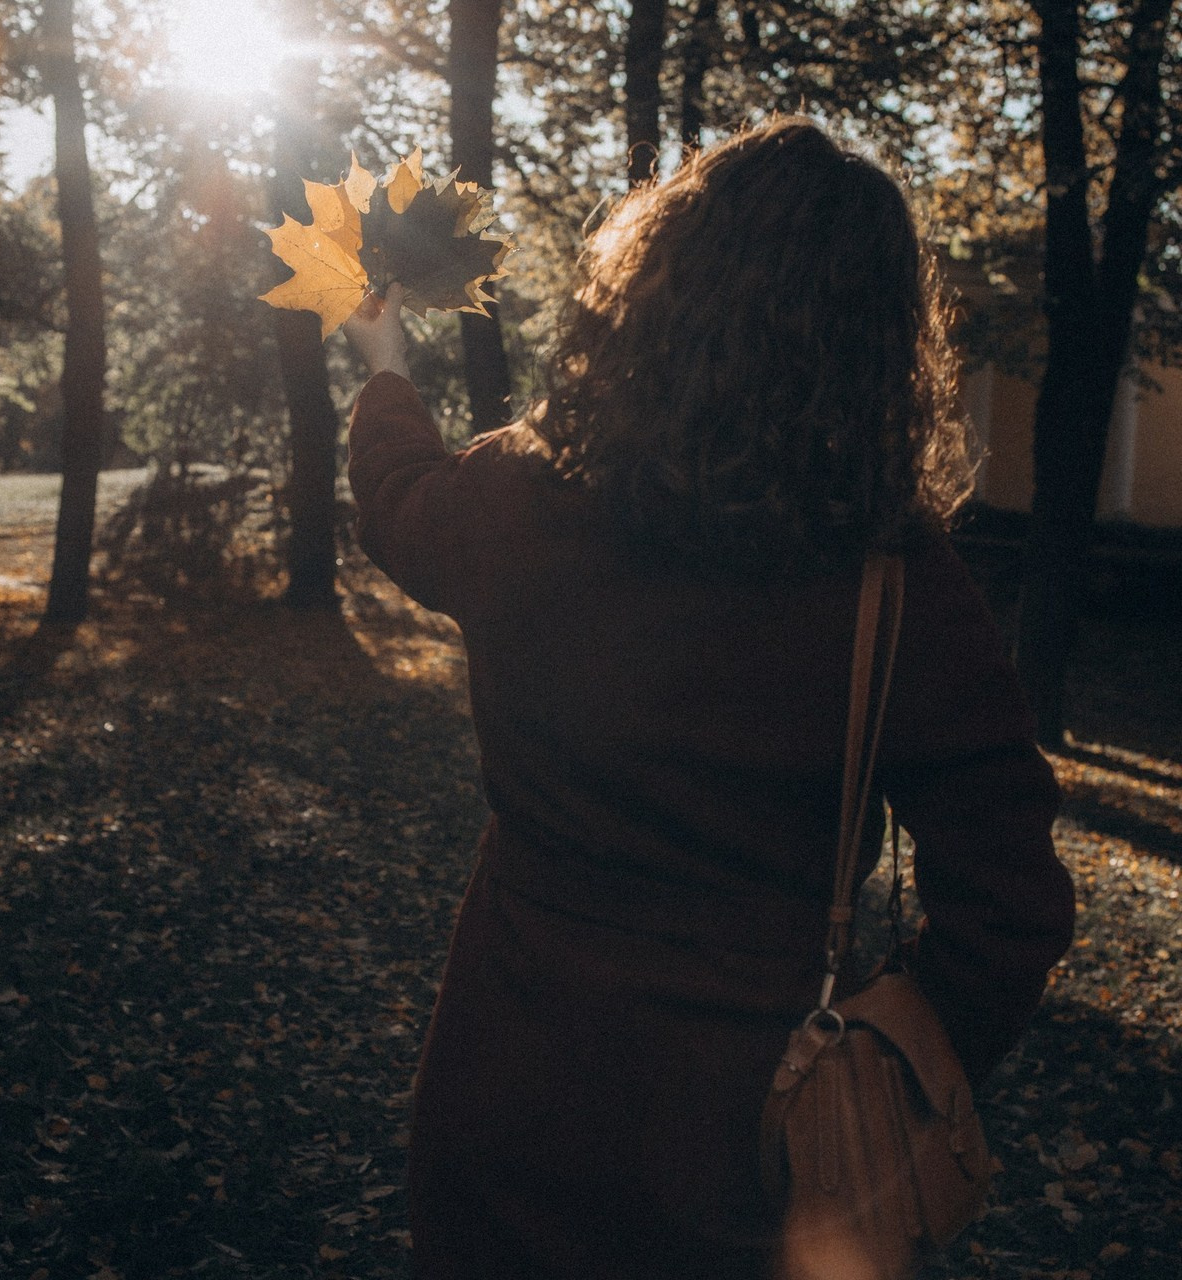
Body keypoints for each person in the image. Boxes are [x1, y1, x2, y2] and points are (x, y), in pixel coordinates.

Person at [342, 119, 1075, 1279]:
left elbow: (399, 500)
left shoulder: (524, 502)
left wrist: (383, 362)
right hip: (743, 1155)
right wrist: (902, 1057)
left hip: (505, 1093)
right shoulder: (893, 583)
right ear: (879, 340)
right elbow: (1013, 905)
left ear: (655, 289)